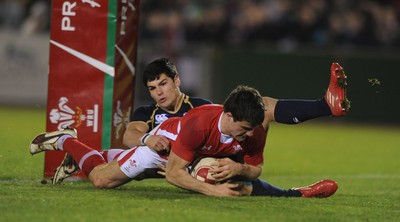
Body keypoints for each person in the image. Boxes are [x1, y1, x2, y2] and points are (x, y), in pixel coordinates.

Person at [51, 58, 350, 184]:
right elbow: (129, 135)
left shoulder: (202, 108)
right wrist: (148, 139)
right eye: (153, 89)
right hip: (154, 158)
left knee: (260, 109)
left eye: (163, 85)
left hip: (187, 160)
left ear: (177, 81)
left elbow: (228, 131)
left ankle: (324, 105)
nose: (159, 93)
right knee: (102, 174)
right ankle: (68, 141)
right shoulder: (149, 114)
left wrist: (237, 166)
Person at [30, 85, 339, 197]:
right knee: (101, 180)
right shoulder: (198, 124)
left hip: (198, 154)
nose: (249, 135)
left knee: (240, 186)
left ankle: (298, 195)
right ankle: (65, 141)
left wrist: (238, 171)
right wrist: (211, 190)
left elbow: (256, 168)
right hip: (166, 151)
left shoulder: (252, 128)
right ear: (229, 117)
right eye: (244, 128)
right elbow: (174, 174)